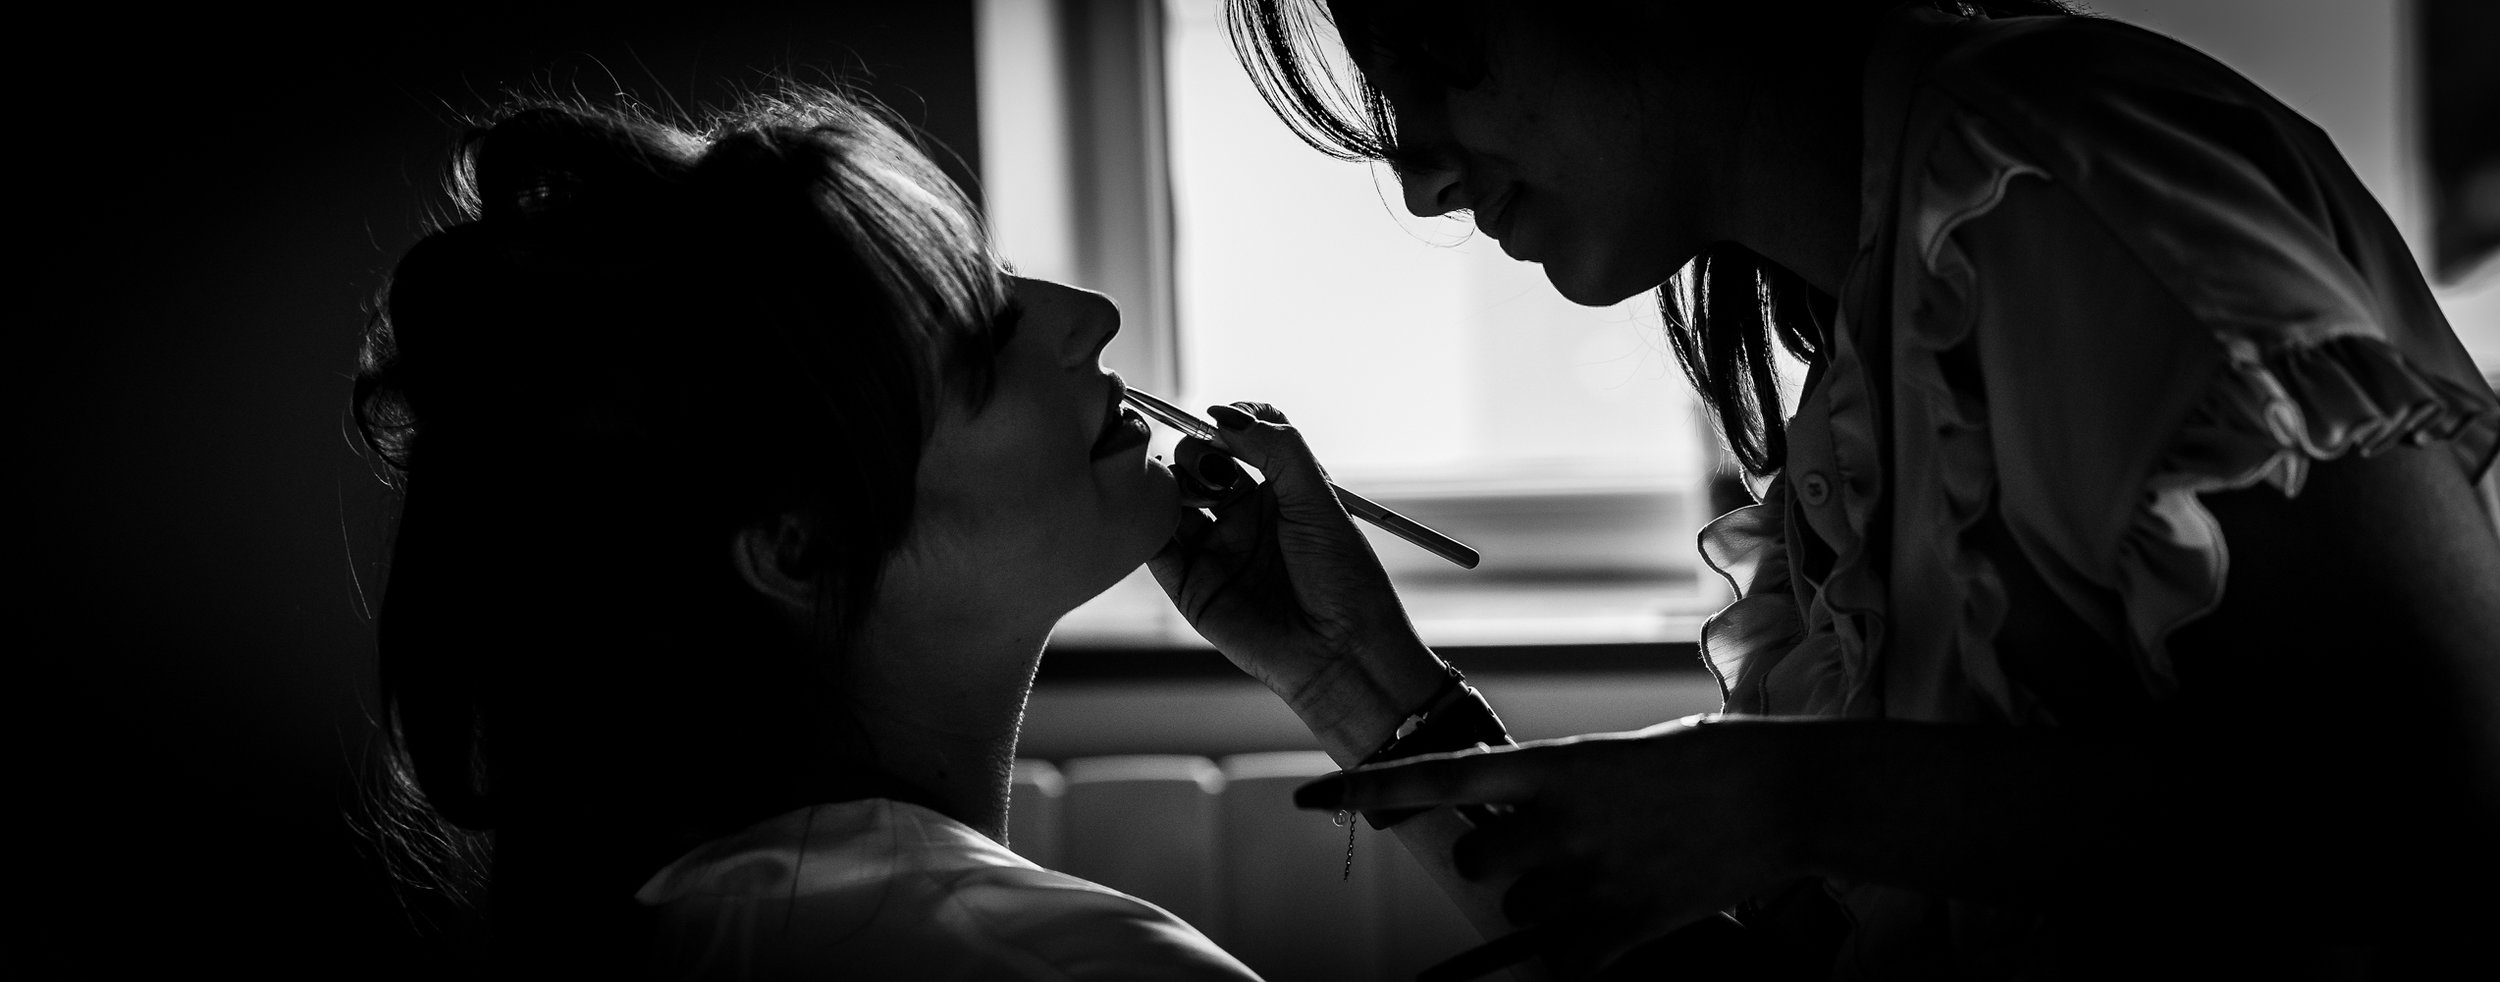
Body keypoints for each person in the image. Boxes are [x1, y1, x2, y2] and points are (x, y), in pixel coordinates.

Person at [1144, 1, 2500, 978]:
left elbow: (2435, 824)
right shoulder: (1861, 374)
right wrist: (1358, 677)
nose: (1424, 177)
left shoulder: (2064, 175)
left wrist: (1803, 794)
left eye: (1433, 59)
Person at [353, 88, 1263, 980]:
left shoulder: (688, 921)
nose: (1093, 315)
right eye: (983, 337)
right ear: (802, 549)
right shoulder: (1074, 962)